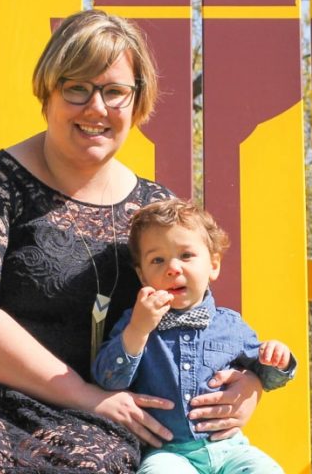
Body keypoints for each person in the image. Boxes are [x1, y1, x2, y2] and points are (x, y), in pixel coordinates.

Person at [0, 10, 266, 474]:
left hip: (88, 417)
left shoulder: (157, 213)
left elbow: (197, 320)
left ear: (137, 103)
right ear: (48, 91)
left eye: (115, 91)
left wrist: (249, 383)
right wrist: (89, 397)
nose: (96, 108)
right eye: (77, 87)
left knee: (99, 464)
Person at [92, 198, 297, 473]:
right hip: (168, 453)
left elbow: (265, 374)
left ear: (213, 265)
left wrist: (277, 359)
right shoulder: (135, 322)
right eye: (157, 260)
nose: (173, 268)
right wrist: (139, 330)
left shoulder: (230, 325)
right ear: (142, 276)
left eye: (186, 255)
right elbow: (108, 379)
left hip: (230, 448)